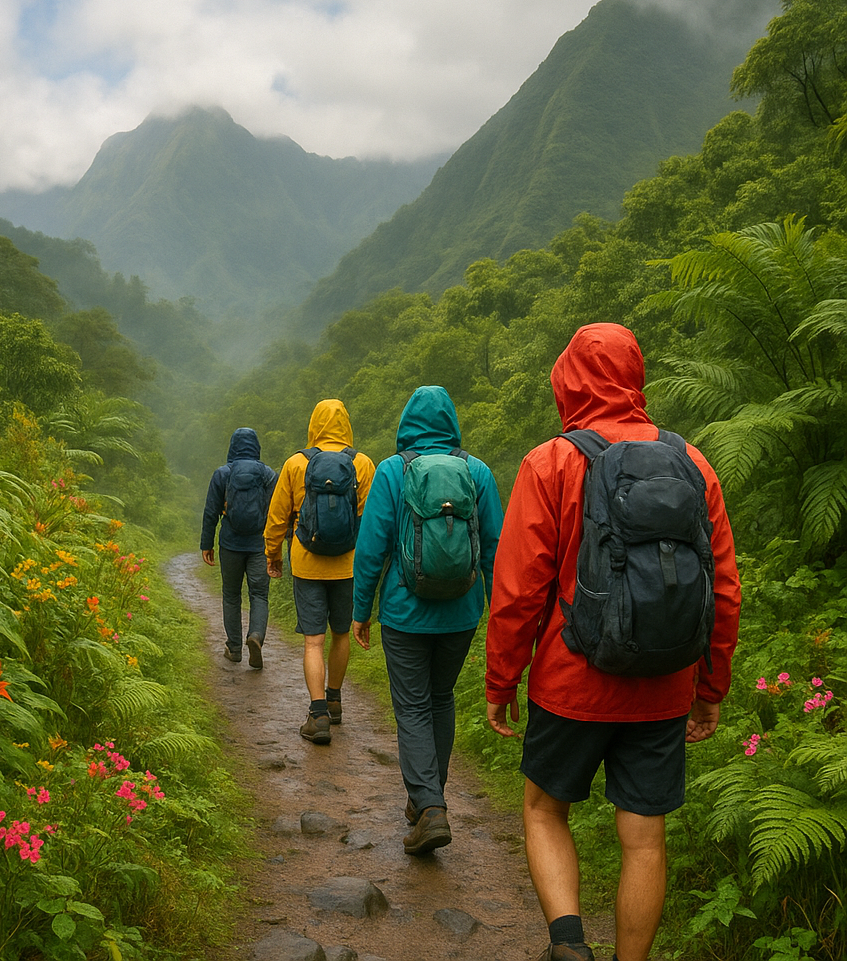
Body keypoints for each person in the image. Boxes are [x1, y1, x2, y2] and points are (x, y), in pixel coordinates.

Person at [485, 324, 741, 961]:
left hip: (571, 682)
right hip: (663, 686)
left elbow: (519, 590)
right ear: (636, 376)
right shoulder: (693, 461)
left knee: (545, 810)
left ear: (567, 379)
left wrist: (502, 680)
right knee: (645, 838)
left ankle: (569, 943)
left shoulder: (552, 461)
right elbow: (725, 589)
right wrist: (710, 687)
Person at [352, 386, 504, 855]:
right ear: (452, 421)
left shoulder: (392, 471)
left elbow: (372, 547)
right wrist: (499, 610)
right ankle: (427, 801)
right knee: (440, 700)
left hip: (403, 613)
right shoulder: (476, 470)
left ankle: (429, 806)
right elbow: (497, 547)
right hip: (461, 613)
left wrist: (361, 611)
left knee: (413, 707)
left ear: (406, 423)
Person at [264, 399, 375, 744]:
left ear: (314, 423)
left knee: (313, 640)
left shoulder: (296, 463)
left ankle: (317, 714)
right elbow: (372, 521)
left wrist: (273, 553)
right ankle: (335, 700)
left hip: (307, 562)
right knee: (341, 634)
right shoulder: (364, 464)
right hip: (348, 563)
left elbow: (279, 514)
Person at [201, 427, 277, 669]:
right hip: (259, 545)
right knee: (259, 595)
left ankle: (234, 649)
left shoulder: (223, 474)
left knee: (232, 596)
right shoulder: (268, 475)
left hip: (230, 544)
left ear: (232, 447)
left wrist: (206, 543)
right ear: (256, 447)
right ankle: (255, 636)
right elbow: (277, 513)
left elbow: (211, 511)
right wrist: (279, 546)